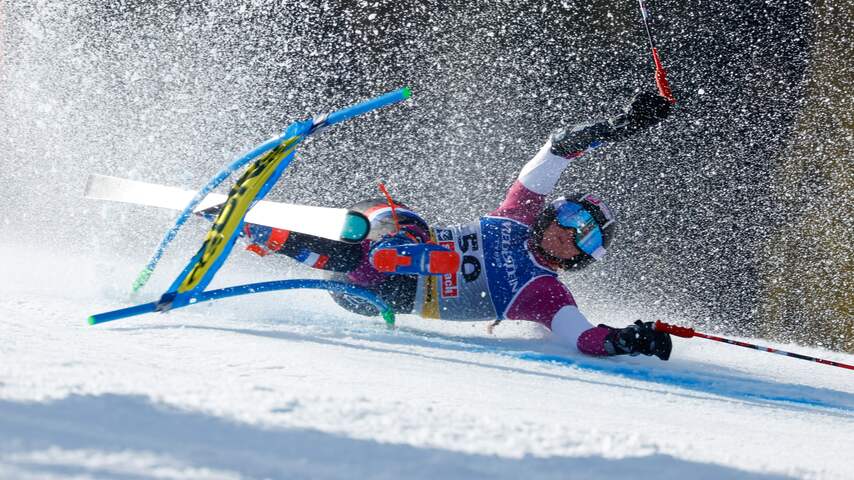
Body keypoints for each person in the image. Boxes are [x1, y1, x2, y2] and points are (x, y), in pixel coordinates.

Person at [242, 91, 674, 360]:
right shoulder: (519, 214)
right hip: (385, 237)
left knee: (394, 255)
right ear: (551, 211)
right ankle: (265, 230)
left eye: (586, 235)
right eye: (571, 217)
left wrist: (625, 340)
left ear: (584, 258)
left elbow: (582, 337)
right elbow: (557, 150)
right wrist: (623, 125)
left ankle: (310, 241)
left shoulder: (543, 293)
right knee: (402, 226)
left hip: (387, 294)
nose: (569, 232)